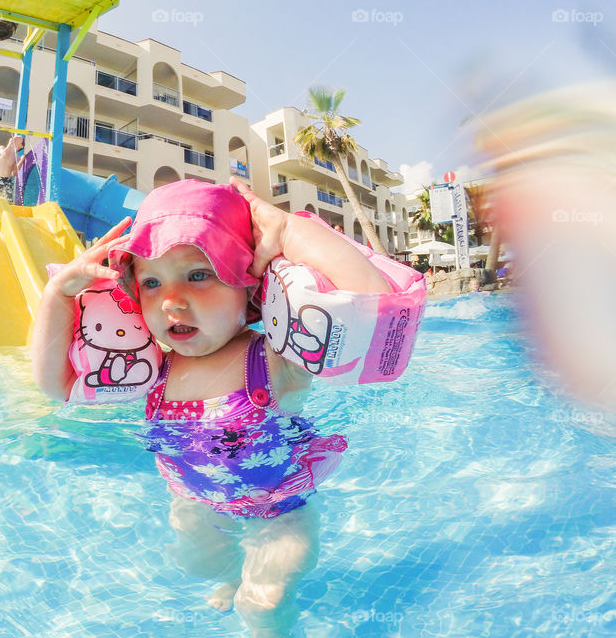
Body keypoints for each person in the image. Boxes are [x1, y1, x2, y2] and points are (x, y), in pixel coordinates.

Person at [33, 179, 391, 637]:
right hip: (195, 502)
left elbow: (374, 308)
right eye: (152, 282)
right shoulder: (151, 369)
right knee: (197, 565)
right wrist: (58, 295)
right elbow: (54, 384)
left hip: (279, 512)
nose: (172, 300)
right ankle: (228, 576)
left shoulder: (277, 359)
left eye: (199, 274)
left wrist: (286, 232)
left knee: (263, 603)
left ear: (250, 282)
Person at [0, 134, 25, 202]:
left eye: (19, 138)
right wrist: (10, 144)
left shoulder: (18, 157)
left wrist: (22, 161)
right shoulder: (1, 148)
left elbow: (14, 173)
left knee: (8, 202)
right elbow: (4, 154)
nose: (16, 137)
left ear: (21, 145)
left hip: (8, 181)